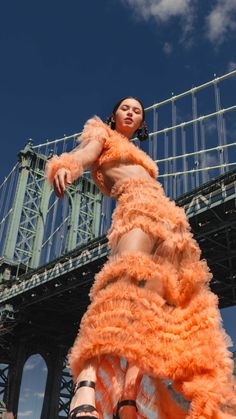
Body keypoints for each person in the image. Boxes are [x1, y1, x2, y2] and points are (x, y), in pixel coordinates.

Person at [46, 97, 236, 419]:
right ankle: (86, 384)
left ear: (142, 122)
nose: (131, 112)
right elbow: (85, 153)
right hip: (135, 209)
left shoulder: (145, 158)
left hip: (170, 223)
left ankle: (128, 399)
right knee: (118, 288)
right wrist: (67, 165)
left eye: (138, 111)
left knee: (149, 313)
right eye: (125, 108)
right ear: (114, 115)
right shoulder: (101, 134)